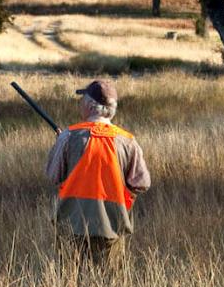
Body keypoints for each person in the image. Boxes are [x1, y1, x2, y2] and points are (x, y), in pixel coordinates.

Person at [44, 78, 151, 270]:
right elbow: (141, 183)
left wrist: (62, 144)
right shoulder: (127, 141)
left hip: (71, 224)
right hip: (111, 227)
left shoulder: (68, 136)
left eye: (82, 99)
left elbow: (53, 176)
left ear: (88, 105)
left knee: (69, 285)